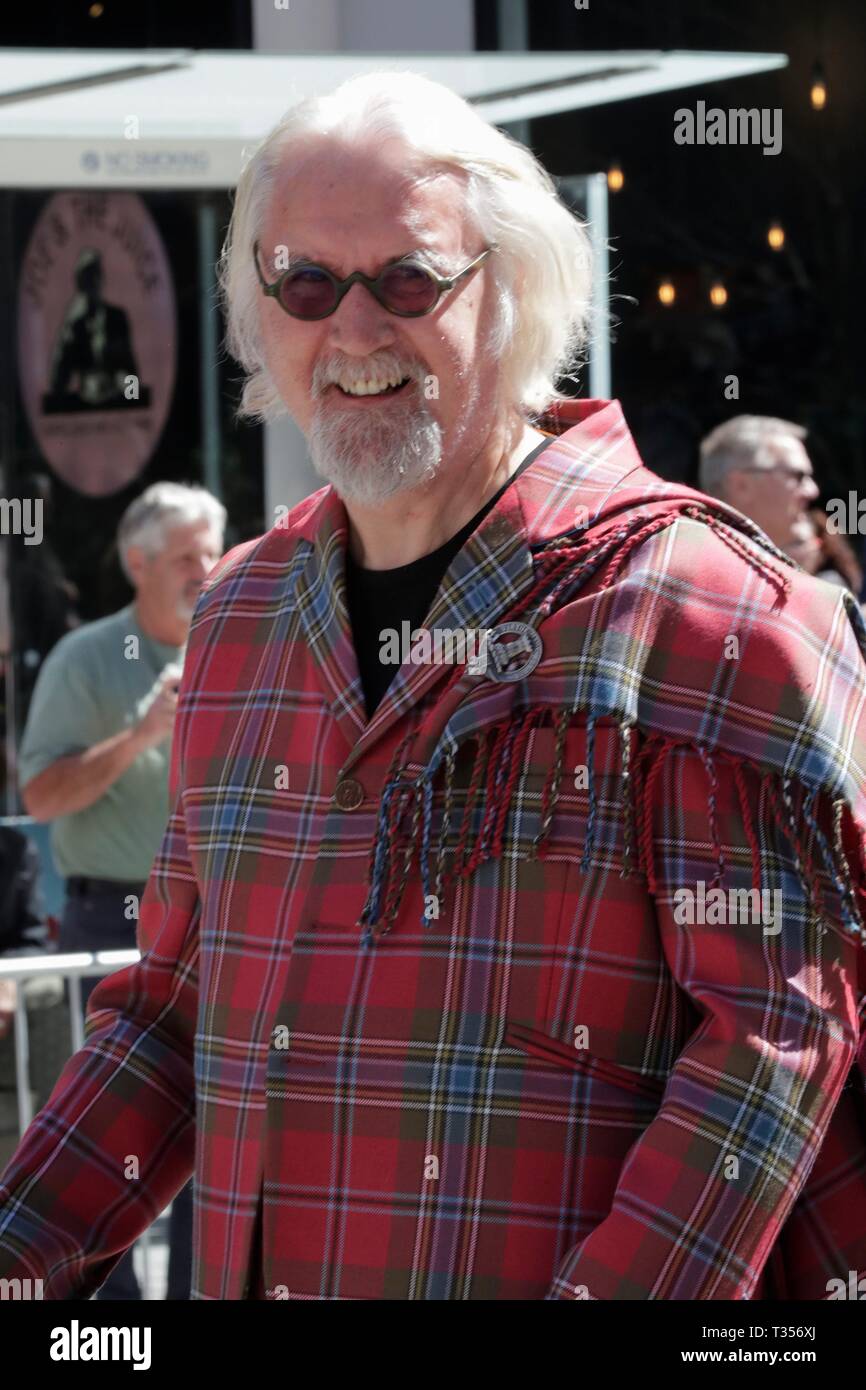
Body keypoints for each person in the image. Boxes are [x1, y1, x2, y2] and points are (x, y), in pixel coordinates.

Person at [2, 72, 866, 1302]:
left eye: (406, 281)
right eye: (303, 280)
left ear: (510, 298)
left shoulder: (710, 611)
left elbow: (768, 1055)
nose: (351, 329)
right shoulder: (243, 614)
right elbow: (173, 1016)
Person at [13, 481, 225, 1299]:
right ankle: (108, 1325)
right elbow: (40, 798)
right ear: (136, 563)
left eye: (212, 551)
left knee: (218, 1136)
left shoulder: (243, 640)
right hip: (110, 919)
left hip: (218, 921)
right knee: (110, 1138)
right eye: (183, 557)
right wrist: (140, 733)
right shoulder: (85, 659)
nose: (204, 569)